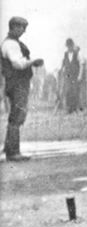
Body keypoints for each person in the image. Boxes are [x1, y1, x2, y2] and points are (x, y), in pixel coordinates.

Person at [2, 16, 44, 161]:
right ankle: (13, 152)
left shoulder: (10, 43)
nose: (24, 31)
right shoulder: (11, 44)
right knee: (17, 115)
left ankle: (10, 148)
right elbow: (17, 64)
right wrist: (33, 61)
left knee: (16, 114)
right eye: (21, 27)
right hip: (17, 83)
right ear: (13, 27)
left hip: (15, 82)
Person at [59, 38, 84, 113]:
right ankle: (68, 108)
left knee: (75, 91)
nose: (69, 48)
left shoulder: (77, 54)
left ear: (72, 46)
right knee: (68, 91)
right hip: (68, 76)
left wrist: (80, 75)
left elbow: (81, 65)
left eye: (70, 46)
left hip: (75, 76)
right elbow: (62, 64)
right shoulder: (65, 54)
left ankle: (75, 108)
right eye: (68, 46)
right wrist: (61, 71)